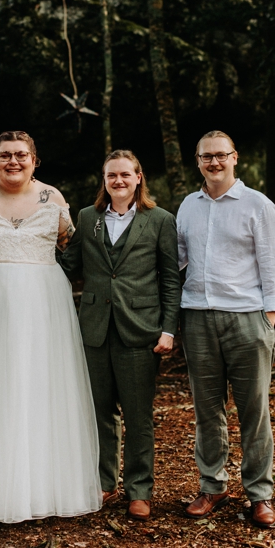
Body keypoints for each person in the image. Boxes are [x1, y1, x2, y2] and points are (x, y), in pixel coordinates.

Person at [0, 130, 101, 523]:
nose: (14, 161)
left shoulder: (54, 198)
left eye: (22, 155)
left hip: (42, 305)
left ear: (35, 160)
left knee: (36, 387)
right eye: (5, 155)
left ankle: (39, 486)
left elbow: (73, 249)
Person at [58, 149, 181, 522]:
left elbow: (171, 278)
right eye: (112, 175)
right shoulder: (87, 218)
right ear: (104, 179)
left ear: (138, 177)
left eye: (126, 175)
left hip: (140, 329)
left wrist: (169, 329)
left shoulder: (160, 220)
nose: (119, 181)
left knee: (138, 414)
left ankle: (139, 489)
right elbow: (68, 265)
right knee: (99, 411)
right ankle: (103, 480)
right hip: (94, 329)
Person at [177, 130, 275, 528]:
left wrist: (269, 318)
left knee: (254, 411)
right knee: (207, 411)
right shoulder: (188, 207)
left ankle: (259, 494)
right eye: (206, 157)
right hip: (197, 319)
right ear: (198, 161)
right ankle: (213, 486)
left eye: (221, 155)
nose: (214, 162)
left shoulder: (258, 205)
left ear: (235, 157)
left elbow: (274, 264)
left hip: (247, 319)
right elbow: (178, 260)